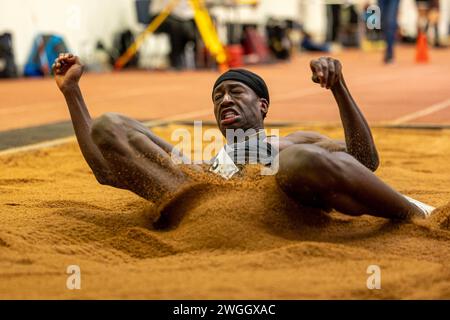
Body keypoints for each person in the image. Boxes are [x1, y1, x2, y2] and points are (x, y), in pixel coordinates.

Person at [52, 53, 434, 224]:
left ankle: (418, 218)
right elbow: (106, 169)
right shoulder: (204, 169)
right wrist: (73, 93)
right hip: (210, 211)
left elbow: (364, 161)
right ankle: (196, 212)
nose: (224, 100)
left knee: (297, 162)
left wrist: (340, 89)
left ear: (263, 106)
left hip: (289, 200)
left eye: (236, 92)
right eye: (217, 97)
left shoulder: (294, 142)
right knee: (109, 125)